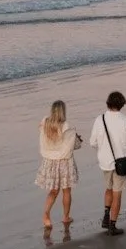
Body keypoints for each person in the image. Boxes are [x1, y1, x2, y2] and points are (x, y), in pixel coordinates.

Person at [92, 90, 126, 235]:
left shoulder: (100, 119)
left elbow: (92, 142)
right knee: (117, 194)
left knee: (108, 188)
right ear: (122, 104)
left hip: (104, 161)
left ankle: (106, 215)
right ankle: (112, 225)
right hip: (121, 163)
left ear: (108, 102)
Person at [35, 99, 82, 238]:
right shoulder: (66, 126)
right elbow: (73, 146)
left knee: (53, 191)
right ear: (63, 111)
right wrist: (77, 138)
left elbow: (44, 138)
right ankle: (66, 217)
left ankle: (46, 214)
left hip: (49, 161)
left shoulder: (45, 123)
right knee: (66, 191)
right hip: (64, 161)